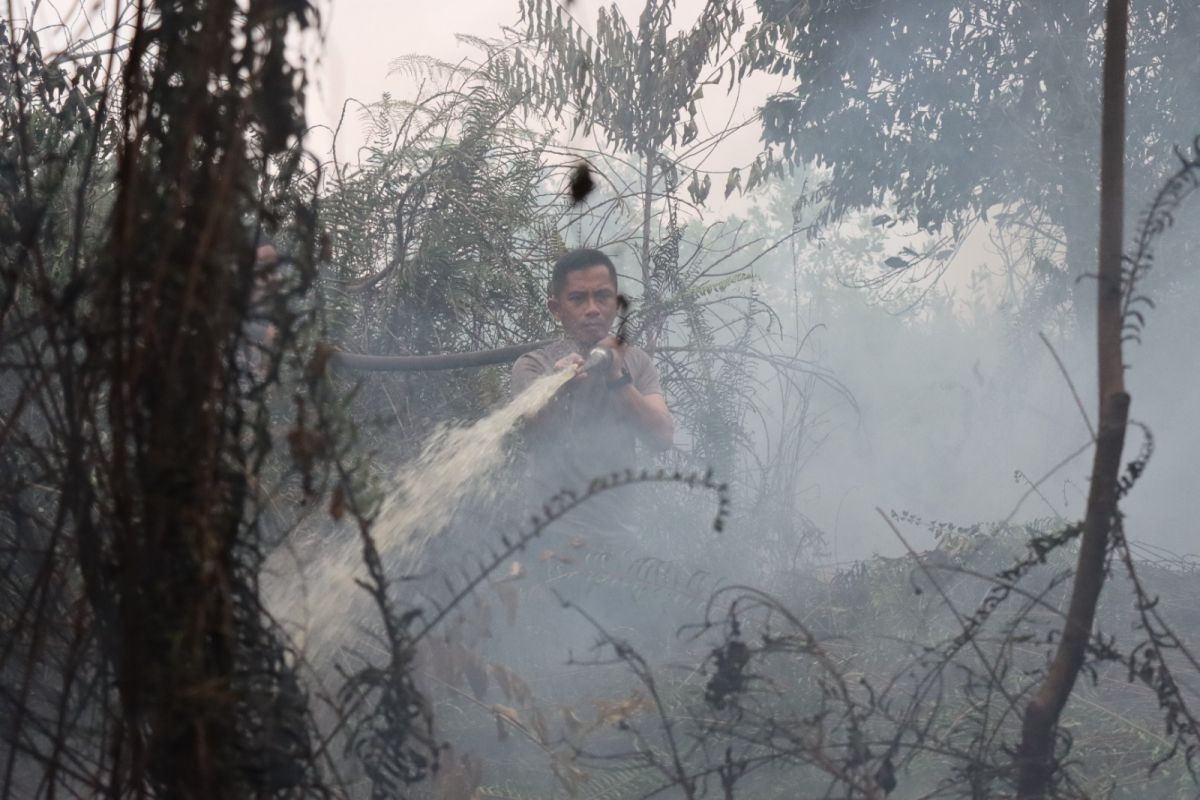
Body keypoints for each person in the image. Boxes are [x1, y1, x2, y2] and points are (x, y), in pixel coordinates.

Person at [511, 248, 673, 540]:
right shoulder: (534, 366)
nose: (593, 309)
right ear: (556, 308)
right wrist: (559, 388)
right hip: (548, 540)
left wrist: (616, 378)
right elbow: (533, 432)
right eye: (577, 299)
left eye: (602, 296)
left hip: (619, 541)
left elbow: (661, 436)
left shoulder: (635, 363)